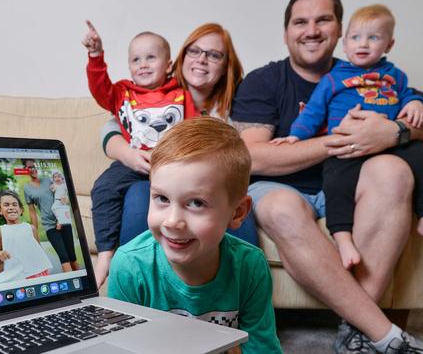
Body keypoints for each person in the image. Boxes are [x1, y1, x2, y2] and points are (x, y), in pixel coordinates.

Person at [231, 0, 423, 353]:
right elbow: (253, 157)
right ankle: (381, 330)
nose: (312, 30)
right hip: (281, 188)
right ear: (286, 33)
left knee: (394, 170)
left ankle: (355, 330)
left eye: (323, 20)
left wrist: (393, 131)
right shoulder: (264, 80)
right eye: (301, 22)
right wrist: (345, 139)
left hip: (351, 185)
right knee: (283, 207)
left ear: (340, 31)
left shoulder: (371, 71)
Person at [271, 4, 423, 268]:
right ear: (345, 42)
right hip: (346, 150)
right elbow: (314, 112)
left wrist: (415, 104)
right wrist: (295, 136)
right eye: (356, 37)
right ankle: (343, 239)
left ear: (389, 44)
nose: (363, 44)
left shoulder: (393, 76)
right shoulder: (333, 78)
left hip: (389, 146)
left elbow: (408, 95)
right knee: (335, 186)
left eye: (373, 38)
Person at [96, 22, 256, 287]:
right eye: (194, 51)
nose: (202, 60)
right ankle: (144, 291)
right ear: (179, 60)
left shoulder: (237, 104)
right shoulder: (156, 92)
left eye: (214, 55)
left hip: (210, 182)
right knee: (139, 196)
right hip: (150, 172)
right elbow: (113, 125)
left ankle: (237, 294)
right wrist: (127, 153)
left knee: (234, 208)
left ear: (226, 63)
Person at [108, 117, 282, 353]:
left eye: (196, 203)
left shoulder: (250, 265)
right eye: (162, 199)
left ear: (237, 212)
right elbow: (120, 347)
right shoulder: (129, 266)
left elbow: (261, 347)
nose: (172, 222)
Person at [82, 20, 200, 287]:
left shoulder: (181, 96)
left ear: (168, 65)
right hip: (134, 162)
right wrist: (96, 56)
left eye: (151, 57)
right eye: (136, 59)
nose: (143, 64)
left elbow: (194, 129)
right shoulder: (123, 93)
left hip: (172, 163)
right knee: (103, 188)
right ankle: (105, 254)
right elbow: (99, 88)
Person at [22, 159, 80, 273]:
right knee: (64, 258)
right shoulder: (27, 188)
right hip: (50, 226)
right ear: (24, 170)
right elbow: (32, 212)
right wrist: (35, 232)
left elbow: (62, 196)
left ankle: (82, 284)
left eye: (34, 166)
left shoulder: (49, 180)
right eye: (29, 167)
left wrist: (60, 219)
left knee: (72, 257)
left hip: (63, 220)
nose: (32, 169)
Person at [0, 190, 52, 280]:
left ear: (21, 209)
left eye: (14, 204)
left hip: (37, 271)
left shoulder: (31, 228)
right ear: (0, 210)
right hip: (16, 274)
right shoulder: (0, 231)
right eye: (6, 205)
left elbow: (39, 250)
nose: (11, 207)